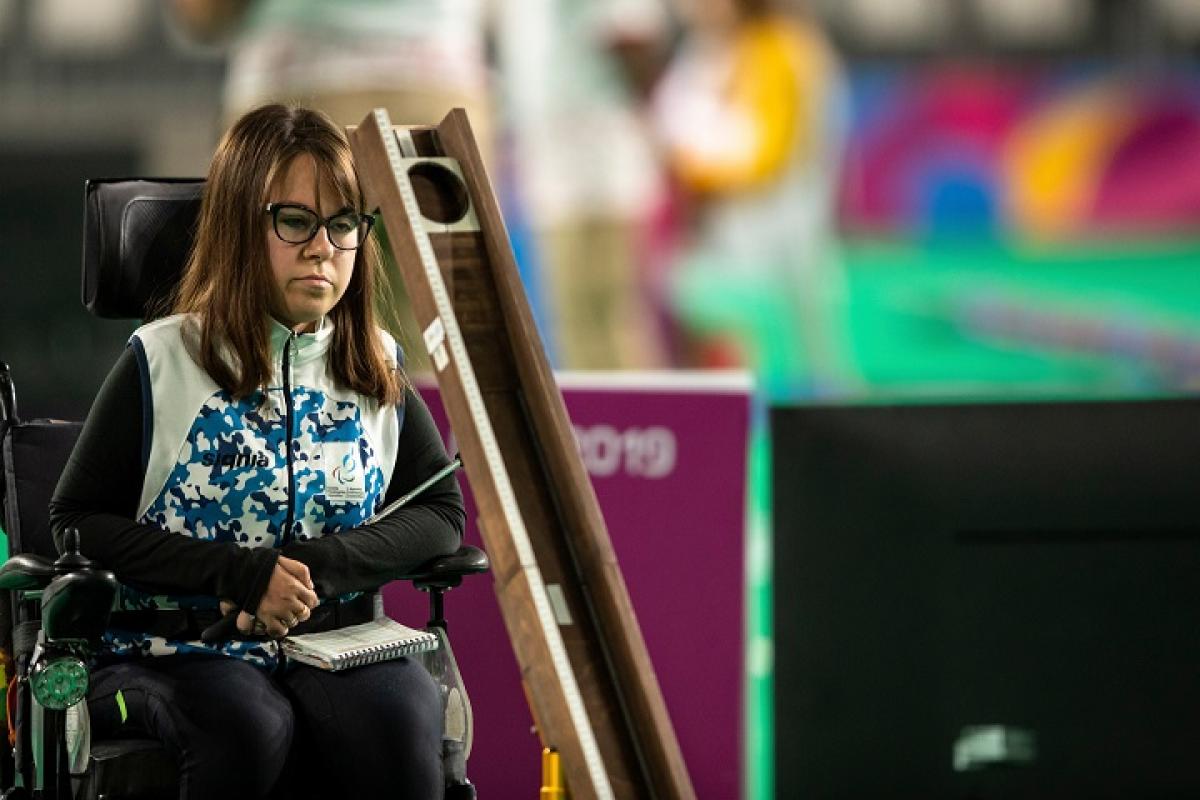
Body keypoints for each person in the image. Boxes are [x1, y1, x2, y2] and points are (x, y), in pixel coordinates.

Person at [49, 104, 465, 799]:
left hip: (338, 645)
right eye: (296, 220)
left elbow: (441, 511)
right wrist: (241, 576)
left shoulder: (375, 362)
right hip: (178, 648)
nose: (322, 248)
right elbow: (76, 520)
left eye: (343, 224)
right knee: (246, 727)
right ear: (243, 228)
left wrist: (317, 569)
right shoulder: (163, 360)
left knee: (398, 724)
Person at [650, 0, 858, 397]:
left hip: (779, 231)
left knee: (807, 355)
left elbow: (768, 154)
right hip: (744, 230)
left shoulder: (784, 48)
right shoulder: (715, 48)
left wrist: (698, 169)